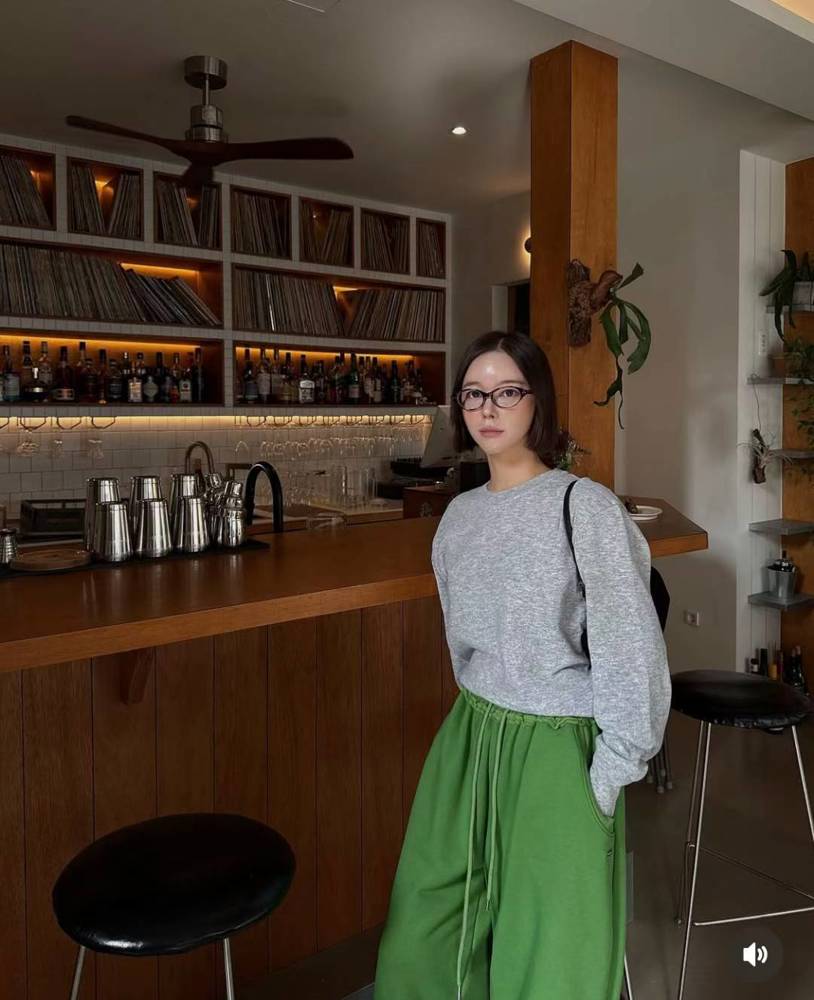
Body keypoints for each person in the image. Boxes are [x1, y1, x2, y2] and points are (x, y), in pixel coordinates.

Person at [374, 330, 671, 998]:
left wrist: (609, 772)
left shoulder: (583, 506)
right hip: (471, 735)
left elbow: (632, 648)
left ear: (538, 401)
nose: (488, 408)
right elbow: (461, 643)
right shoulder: (458, 517)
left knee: (549, 956)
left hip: (557, 748)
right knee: (424, 939)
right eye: (473, 394)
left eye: (506, 391)